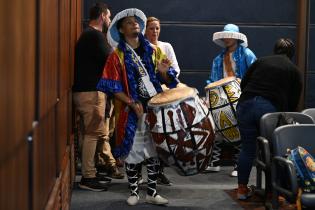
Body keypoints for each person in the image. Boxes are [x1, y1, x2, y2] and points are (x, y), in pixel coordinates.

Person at [97, 8, 178, 206]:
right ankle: (134, 191)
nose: (135, 24)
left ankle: (152, 192)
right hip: (130, 112)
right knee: (132, 152)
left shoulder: (153, 50)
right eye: (129, 23)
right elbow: (111, 85)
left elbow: (165, 78)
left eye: (136, 22)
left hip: (153, 109)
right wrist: (131, 103)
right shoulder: (116, 56)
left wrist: (164, 73)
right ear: (121, 30)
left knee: (153, 152)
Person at [236, 38, 302, 200]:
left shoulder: (260, 61)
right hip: (268, 110)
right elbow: (293, 102)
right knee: (273, 151)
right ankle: (274, 191)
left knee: (247, 149)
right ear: (291, 54)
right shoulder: (294, 70)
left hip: (244, 105)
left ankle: (242, 191)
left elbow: (244, 83)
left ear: (275, 50)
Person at [72, 2, 123, 192]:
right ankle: (88, 177)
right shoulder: (95, 35)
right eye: (109, 17)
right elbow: (113, 60)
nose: (109, 20)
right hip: (91, 93)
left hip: (86, 91)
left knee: (91, 134)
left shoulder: (88, 35)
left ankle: (91, 171)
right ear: (102, 16)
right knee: (93, 134)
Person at [130, 16, 181, 186]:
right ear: (145, 30)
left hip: (161, 98)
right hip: (141, 99)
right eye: (151, 28)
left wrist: (165, 75)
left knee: (159, 138)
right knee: (139, 138)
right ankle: (136, 175)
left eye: (157, 28)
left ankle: (158, 173)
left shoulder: (165, 47)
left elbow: (174, 71)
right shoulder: (137, 49)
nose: (155, 31)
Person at [205, 24, 256, 177]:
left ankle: (238, 164)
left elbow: (254, 73)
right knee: (217, 127)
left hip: (241, 95)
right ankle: (214, 161)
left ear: (236, 38)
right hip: (221, 96)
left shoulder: (247, 54)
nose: (227, 38)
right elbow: (213, 79)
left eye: (230, 35)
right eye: (225, 35)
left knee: (239, 129)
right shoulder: (218, 58)